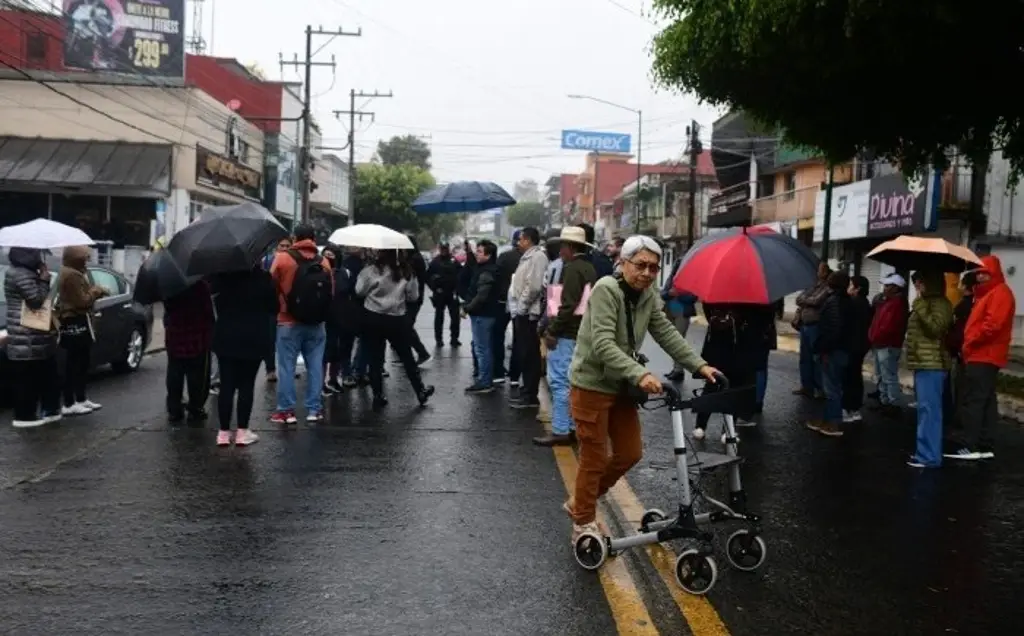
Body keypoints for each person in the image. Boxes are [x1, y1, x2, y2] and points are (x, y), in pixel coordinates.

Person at [565, 235, 720, 543]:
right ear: (623, 264)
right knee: (594, 459)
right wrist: (640, 374)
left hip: (622, 385)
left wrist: (699, 365)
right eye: (641, 266)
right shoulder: (606, 290)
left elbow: (665, 332)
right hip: (591, 386)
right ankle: (582, 520)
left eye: (654, 267)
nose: (648, 273)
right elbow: (603, 344)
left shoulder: (647, 295)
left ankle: (580, 502)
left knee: (630, 453)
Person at [534, 227, 598, 446]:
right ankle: (570, 427)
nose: (560, 251)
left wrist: (552, 331)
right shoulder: (589, 268)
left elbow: (568, 305)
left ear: (570, 247)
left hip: (566, 333)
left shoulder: (572, 270)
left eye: (563, 246)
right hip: (579, 332)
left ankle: (561, 430)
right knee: (570, 382)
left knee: (559, 382)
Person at [948, 255, 1016, 461]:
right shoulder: (990, 293)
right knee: (985, 400)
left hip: (983, 354)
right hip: (982, 354)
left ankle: (971, 444)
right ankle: (983, 443)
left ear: (994, 272)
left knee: (974, 400)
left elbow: (992, 325)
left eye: (984, 272)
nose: (980, 276)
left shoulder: (999, 293)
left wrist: (970, 342)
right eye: (978, 272)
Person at [270, 224, 334, 425]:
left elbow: (270, 285)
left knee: (287, 366)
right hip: (316, 323)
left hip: (288, 320)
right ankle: (314, 409)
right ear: (314, 238)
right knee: (315, 366)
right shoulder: (323, 261)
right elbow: (330, 292)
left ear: (295, 237)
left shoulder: (282, 258)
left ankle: (286, 411)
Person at [355, 250, 435, 408]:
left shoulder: (370, 270)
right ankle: (420, 391)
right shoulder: (406, 271)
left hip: (373, 317)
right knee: (407, 357)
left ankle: (378, 396)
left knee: (375, 359)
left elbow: (359, 291)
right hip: (397, 319)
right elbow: (413, 297)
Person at [210, 264, 279, 446]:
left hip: (226, 336)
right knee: (246, 385)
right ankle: (242, 432)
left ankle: (223, 433)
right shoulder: (263, 278)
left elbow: (216, 303)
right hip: (253, 337)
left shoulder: (221, 277)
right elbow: (274, 307)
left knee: (226, 385)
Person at [3, 247, 59, 428]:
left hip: (30, 335)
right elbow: (36, 301)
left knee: (42, 373)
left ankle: (47, 410)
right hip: (27, 334)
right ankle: (25, 416)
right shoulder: (22, 275)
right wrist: (44, 280)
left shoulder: (19, 272)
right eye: (35, 253)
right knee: (28, 378)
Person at [905, 271, 954, 468]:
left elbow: (935, 329)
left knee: (930, 411)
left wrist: (918, 304)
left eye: (920, 281)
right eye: (915, 282)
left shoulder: (940, 303)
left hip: (932, 363)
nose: (917, 285)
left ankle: (929, 456)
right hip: (923, 362)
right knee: (926, 410)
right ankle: (924, 452)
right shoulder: (927, 302)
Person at [691, 304, 760, 439]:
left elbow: (708, 311)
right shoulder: (746, 303)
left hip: (717, 349)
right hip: (737, 352)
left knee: (712, 387)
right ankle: (726, 431)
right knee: (733, 391)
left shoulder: (714, 297)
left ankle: (701, 427)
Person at [56, 245, 107, 416]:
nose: (87, 259)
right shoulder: (71, 275)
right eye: (84, 257)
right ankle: (70, 402)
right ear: (75, 258)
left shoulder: (74, 272)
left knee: (82, 361)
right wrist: (97, 291)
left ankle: (81, 398)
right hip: (74, 321)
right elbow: (83, 301)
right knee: (75, 362)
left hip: (78, 320)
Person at [163, 280, 215, 423]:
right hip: (197, 338)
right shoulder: (200, 286)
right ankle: (195, 408)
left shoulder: (169, 286)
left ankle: (174, 409)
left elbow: (167, 311)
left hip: (175, 337)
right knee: (198, 377)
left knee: (174, 374)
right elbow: (208, 312)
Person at [807, 271, 851, 437]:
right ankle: (828, 418)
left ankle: (833, 422)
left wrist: (824, 349)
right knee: (832, 386)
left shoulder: (834, 301)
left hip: (832, 350)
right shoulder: (844, 300)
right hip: (840, 349)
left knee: (831, 388)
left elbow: (833, 329)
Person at [509, 227, 548, 410]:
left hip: (528, 313)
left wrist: (522, 307)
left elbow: (533, 286)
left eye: (521, 239)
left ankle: (530, 395)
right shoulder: (528, 256)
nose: (518, 242)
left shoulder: (538, 257)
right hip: (522, 311)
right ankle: (527, 391)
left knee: (530, 354)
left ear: (528, 240)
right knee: (525, 353)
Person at [868, 273, 909, 415]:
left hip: (887, 344)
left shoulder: (897, 304)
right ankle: (885, 400)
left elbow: (889, 327)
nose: (884, 288)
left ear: (895, 287)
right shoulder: (888, 302)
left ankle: (893, 403)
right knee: (882, 375)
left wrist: (876, 337)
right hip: (881, 343)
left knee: (888, 376)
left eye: (887, 285)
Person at [463, 240, 500, 393]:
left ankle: (485, 382)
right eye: (476, 251)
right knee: (483, 347)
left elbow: (481, 296)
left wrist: (467, 308)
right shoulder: (484, 268)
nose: (477, 254)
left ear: (488, 255)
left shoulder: (487, 271)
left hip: (483, 314)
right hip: (483, 314)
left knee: (482, 348)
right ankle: (485, 379)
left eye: (480, 252)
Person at [793, 262, 831, 397]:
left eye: (820, 270)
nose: (817, 272)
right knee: (804, 358)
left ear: (825, 272)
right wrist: (807, 299)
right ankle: (806, 386)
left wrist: (806, 300)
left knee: (816, 358)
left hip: (815, 325)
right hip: (805, 325)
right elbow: (799, 299)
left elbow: (816, 301)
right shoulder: (812, 285)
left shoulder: (827, 287)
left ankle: (819, 387)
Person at [661, 254, 698, 381]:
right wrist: (669, 293)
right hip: (670, 311)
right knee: (671, 340)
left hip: (683, 313)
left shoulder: (692, 278)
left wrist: (680, 294)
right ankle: (676, 368)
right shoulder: (672, 277)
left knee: (679, 341)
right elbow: (663, 293)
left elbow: (694, 297)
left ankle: (679, 370)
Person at [841, 275, 873, 423]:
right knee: (856, 376)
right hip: (862, 345)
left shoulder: (852, 303)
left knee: (848, 377)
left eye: (851, 285)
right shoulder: (866, 303)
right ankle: (855, 409)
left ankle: (847, 408)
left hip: (851, 344)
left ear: (857, 288)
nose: (848, 288)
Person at [493, 233, 523, 383]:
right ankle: (514, 376)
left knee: (497, 336)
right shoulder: (529, 259)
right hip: (522, 303)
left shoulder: (504, 257)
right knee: (518, 339)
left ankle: (498, 372)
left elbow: (495, 277)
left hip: (502, 301)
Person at [262, 236, 292, 382]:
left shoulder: (294, 263)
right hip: (270, 306)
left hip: (287, 307)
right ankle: (270, 369)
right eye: (282, 246)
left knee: (287, 341)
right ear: (276, 248)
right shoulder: (267, 262)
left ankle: (286, 369)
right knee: (270, 339)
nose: (285, 248)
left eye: (287, 246)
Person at [402, 237, 431, 365]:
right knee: (405, 327)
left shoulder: (414, 259)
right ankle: (408, 355)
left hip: (413, 298)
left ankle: (422, 353)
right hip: (413, 298)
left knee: (406, 327)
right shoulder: (414, 258)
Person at [427, 243, 461, 347]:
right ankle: (439, 339)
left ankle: (454, 339)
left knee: (455, 318)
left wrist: (458, 290)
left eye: (445, 248)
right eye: (442, 249)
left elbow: (461, 275)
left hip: (452, 293)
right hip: (440, 293)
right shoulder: (435, 262)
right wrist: (435, 288)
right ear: (440, 249)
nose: (444, 250)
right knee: (439, 318)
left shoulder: (454, 261)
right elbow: (427, 277)